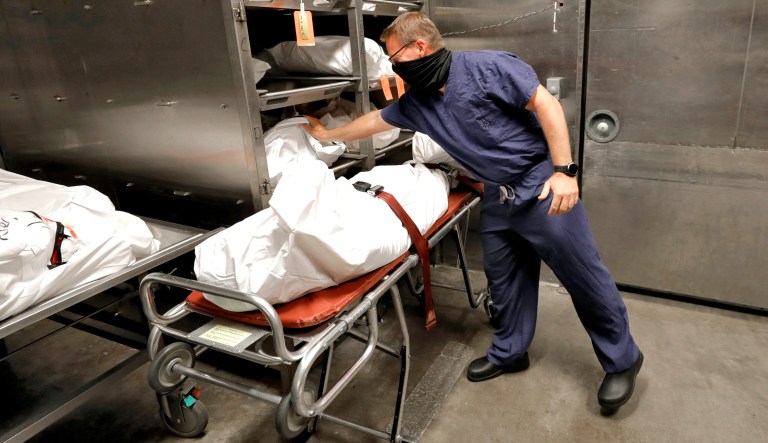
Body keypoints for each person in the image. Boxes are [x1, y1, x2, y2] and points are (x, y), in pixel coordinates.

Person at [302, 12, 643, 414]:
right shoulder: (420, 101)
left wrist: (565, 172)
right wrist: (328, 134)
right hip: (498, 193)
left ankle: (622, 360)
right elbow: (377, 119)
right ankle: (510, 352)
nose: (393, 66)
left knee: (582, 276)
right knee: (504, 279)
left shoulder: (487, 67)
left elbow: (545, 104)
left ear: (419, 48)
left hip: (540, 185)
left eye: (395, 58)